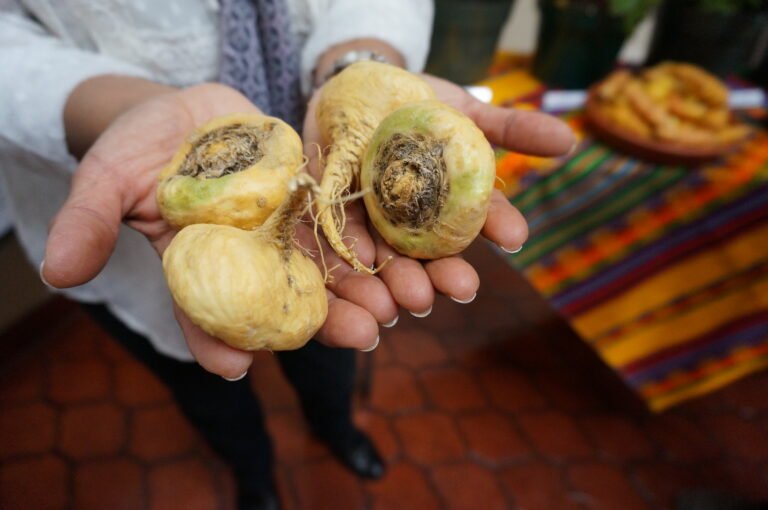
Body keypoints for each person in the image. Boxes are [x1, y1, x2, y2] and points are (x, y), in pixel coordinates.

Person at [0, 1, 575, 509]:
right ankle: (254, 477)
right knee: (204, 383)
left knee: (331, 352)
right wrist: (111, 107)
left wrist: (358, 64)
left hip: (315, 194)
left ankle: (337, 431)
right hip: (143, 189)